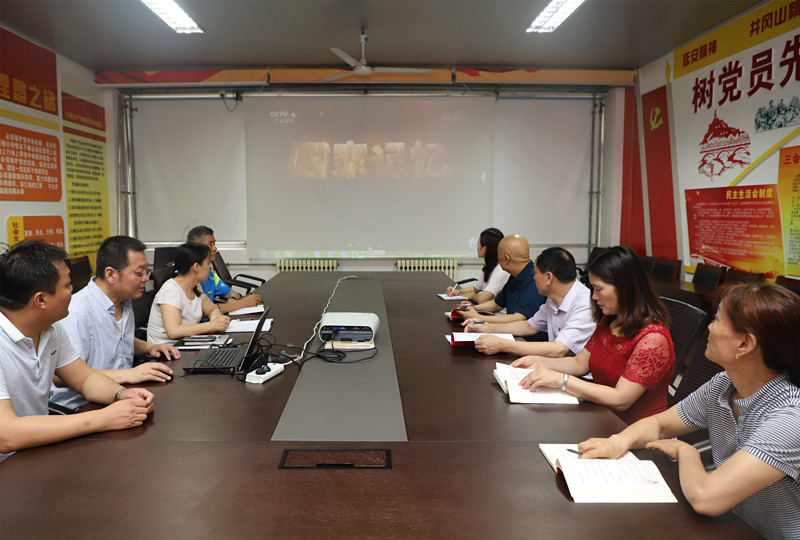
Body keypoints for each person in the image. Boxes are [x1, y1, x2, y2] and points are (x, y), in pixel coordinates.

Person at [577, 283, 800, 540]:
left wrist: (686, 451)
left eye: (717, 320)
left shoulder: (789, 417)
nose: (710, 327)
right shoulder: (724, 384)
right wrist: (617, 442)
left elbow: (706, 497)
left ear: (744, 343)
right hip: (734, 525)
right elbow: (660, 424)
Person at [0, 240, 154, 462]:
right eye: (67, 285)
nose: (73, 290)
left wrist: (121, 394)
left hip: (35, 454)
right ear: (41, 300)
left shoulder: (51, 329)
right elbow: (7, 435)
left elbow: (85, 378)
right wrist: (103, 419)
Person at [511, 246, 674, 424]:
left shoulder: (653, 340)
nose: (594, 297)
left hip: (633, 430)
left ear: (624, 287)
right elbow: (579, 363)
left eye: (599, 289)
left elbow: (621, 399)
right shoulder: (610, 321)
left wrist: (562, 380)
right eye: (592, 288)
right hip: (601, 417)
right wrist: (537, 361)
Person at [51, 236, 180, 411]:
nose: (146, 278)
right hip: (80, 407)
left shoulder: (124, 301)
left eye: (146, 271)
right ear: (111, 274)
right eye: (139, 273)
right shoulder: (76, 312)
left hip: (119, 396)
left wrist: (149, 348)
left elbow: (116, 339)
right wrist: (129, 374)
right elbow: (62, 376)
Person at [464, 247, 595, 357]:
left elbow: (558, 349)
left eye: (536, 272)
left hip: (576, 375)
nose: (533, 277)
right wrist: (487, 327)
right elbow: (529, 326)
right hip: (557, 366)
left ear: (548, 278)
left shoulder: (584, 304)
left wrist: (502, 344)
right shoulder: (553, 299)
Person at [147, 242, 230, 344]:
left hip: (187, 344)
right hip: (168, 349)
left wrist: (215, 321)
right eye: (208, 263)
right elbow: (173, 331)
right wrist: (212, 326)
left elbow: (212, 309)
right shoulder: (171, 290)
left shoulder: (195, 286)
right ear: (196, 267)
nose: (210, 267)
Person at [455, 234, 546, 324]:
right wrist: (473, 308)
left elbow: (519, 318)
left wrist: (478, 317)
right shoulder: (514, 276)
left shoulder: (534, 279)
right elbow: (497, 304)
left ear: (506, 258)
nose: (497, 259)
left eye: (498, 254)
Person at [186, 226, 262, 313]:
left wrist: (232, 300)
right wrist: (242, 303)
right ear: (196, 247)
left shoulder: (209, 274)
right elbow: (204, 311)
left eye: (214, 244)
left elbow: (233, 293)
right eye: (210, 244)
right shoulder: (188, 277)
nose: (215, 248)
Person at [445, 227, 509, 304]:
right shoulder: (490, 266)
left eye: (478, 243)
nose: (477, 246)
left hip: (493, 311)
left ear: (484, 248)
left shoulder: (501, 270)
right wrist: (458, 291)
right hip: (484, 308)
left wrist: (472, 296)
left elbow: (481, 299)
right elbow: (476, 289)